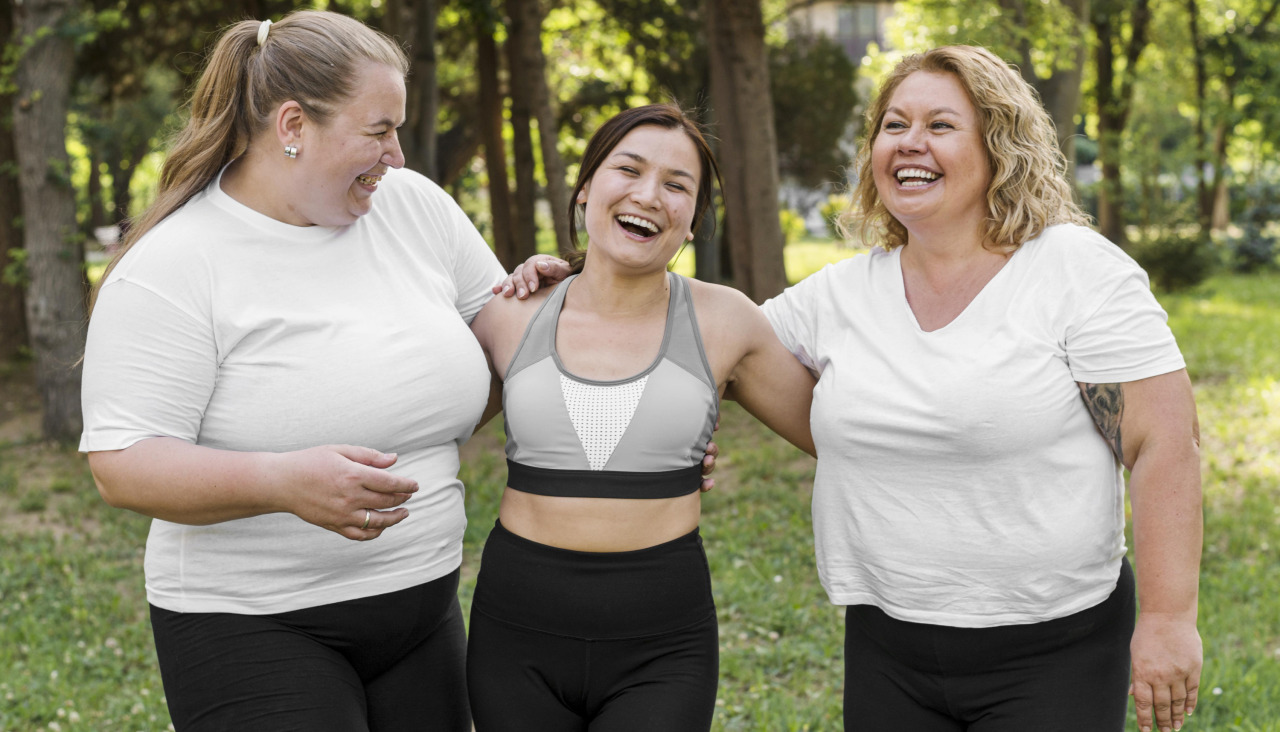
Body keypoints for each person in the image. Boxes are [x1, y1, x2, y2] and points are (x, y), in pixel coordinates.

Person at [499, 46, 1203, 732]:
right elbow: (688, 346)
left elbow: (1164, 443)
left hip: (1056, 644)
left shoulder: (1075, 271)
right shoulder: (839, 296)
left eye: (940, 126)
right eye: (893, 125)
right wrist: (572, 279)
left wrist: (1170, 620)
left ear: (999, 147)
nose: (909, 143)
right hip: (888, 644)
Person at [80, 11, 504, 730]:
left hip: (422, 609)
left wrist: (637, 403)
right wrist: (279, 482)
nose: (396, 155)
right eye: (377, 131)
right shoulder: (176, 265)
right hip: (250, 627)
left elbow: (512, 343)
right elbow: (121, 464)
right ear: (292, 125)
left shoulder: (414, 209)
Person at [465, 103, 816, 732]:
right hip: (514, 637)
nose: (649, 195)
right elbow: (422, 426)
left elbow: (839, 431)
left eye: (677, 185)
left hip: (663, 645)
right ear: (584, 189)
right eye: (628, 169)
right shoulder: (510, 314)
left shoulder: (726, 321)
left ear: (692, 223)